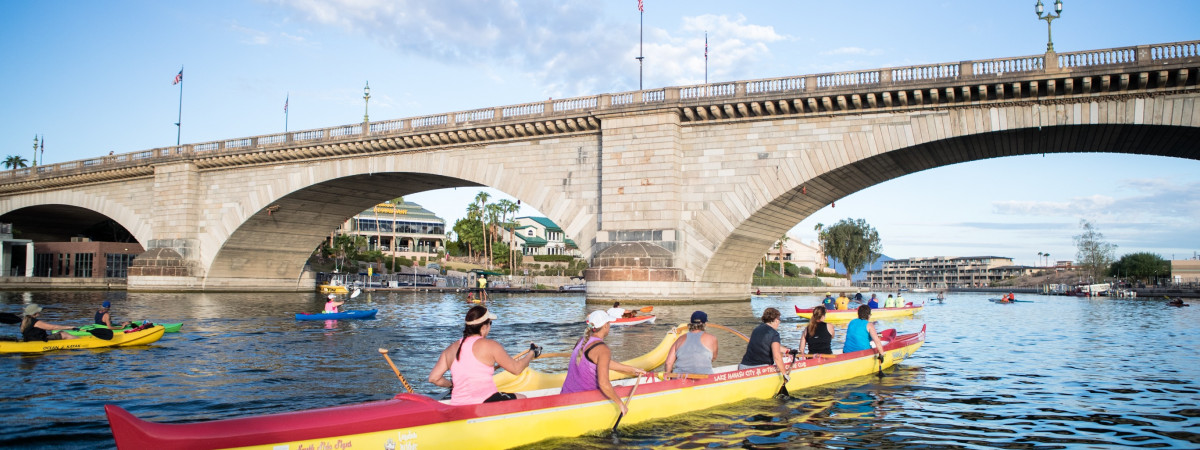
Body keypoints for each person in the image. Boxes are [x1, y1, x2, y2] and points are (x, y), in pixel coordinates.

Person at [428, 306, 537, 405]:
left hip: (458, 404)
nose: (490, 327)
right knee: (523, 398)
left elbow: (434, 378)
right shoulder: (490, 345)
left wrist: (452, 385)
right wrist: (531, 353)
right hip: (485, 402)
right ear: (484, 327)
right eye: (490, 323)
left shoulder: (449, 350)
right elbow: (516, 369)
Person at [561, 311, 647, 415]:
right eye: (609, 323)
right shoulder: (602, 349)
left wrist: (631, 370)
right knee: (619, 389)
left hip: (565, 396)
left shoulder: (581, 340)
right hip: (583, 403)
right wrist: (620, 404)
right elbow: (604, 384)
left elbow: (600, 362)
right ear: (606, 326)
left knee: (616, 387)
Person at [739, 308, 790, 381]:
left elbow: (769, 344)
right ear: (776, 320)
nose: (779, 322)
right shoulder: (774, 334)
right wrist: (785, 374)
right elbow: (777, 357)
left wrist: (787, 351)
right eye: (779, 320)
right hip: (759, 369)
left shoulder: (756, 330)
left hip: (743, 367)